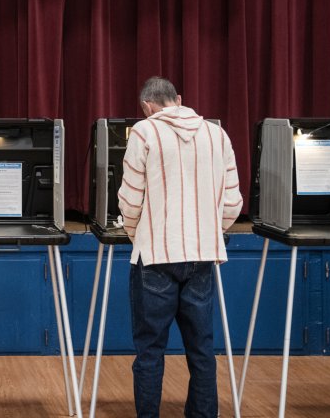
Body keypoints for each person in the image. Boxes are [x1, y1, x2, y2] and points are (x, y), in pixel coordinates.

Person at [118, 76, 243, 418]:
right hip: (202, 256)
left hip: (156, 256)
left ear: (147, 107)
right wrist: (210, 231)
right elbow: (232, 202)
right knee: (201, 350)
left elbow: (130, 200)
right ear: (180, 99)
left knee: (150, 351)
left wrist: (138, 234)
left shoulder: (144, 132)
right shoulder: (218, 135)